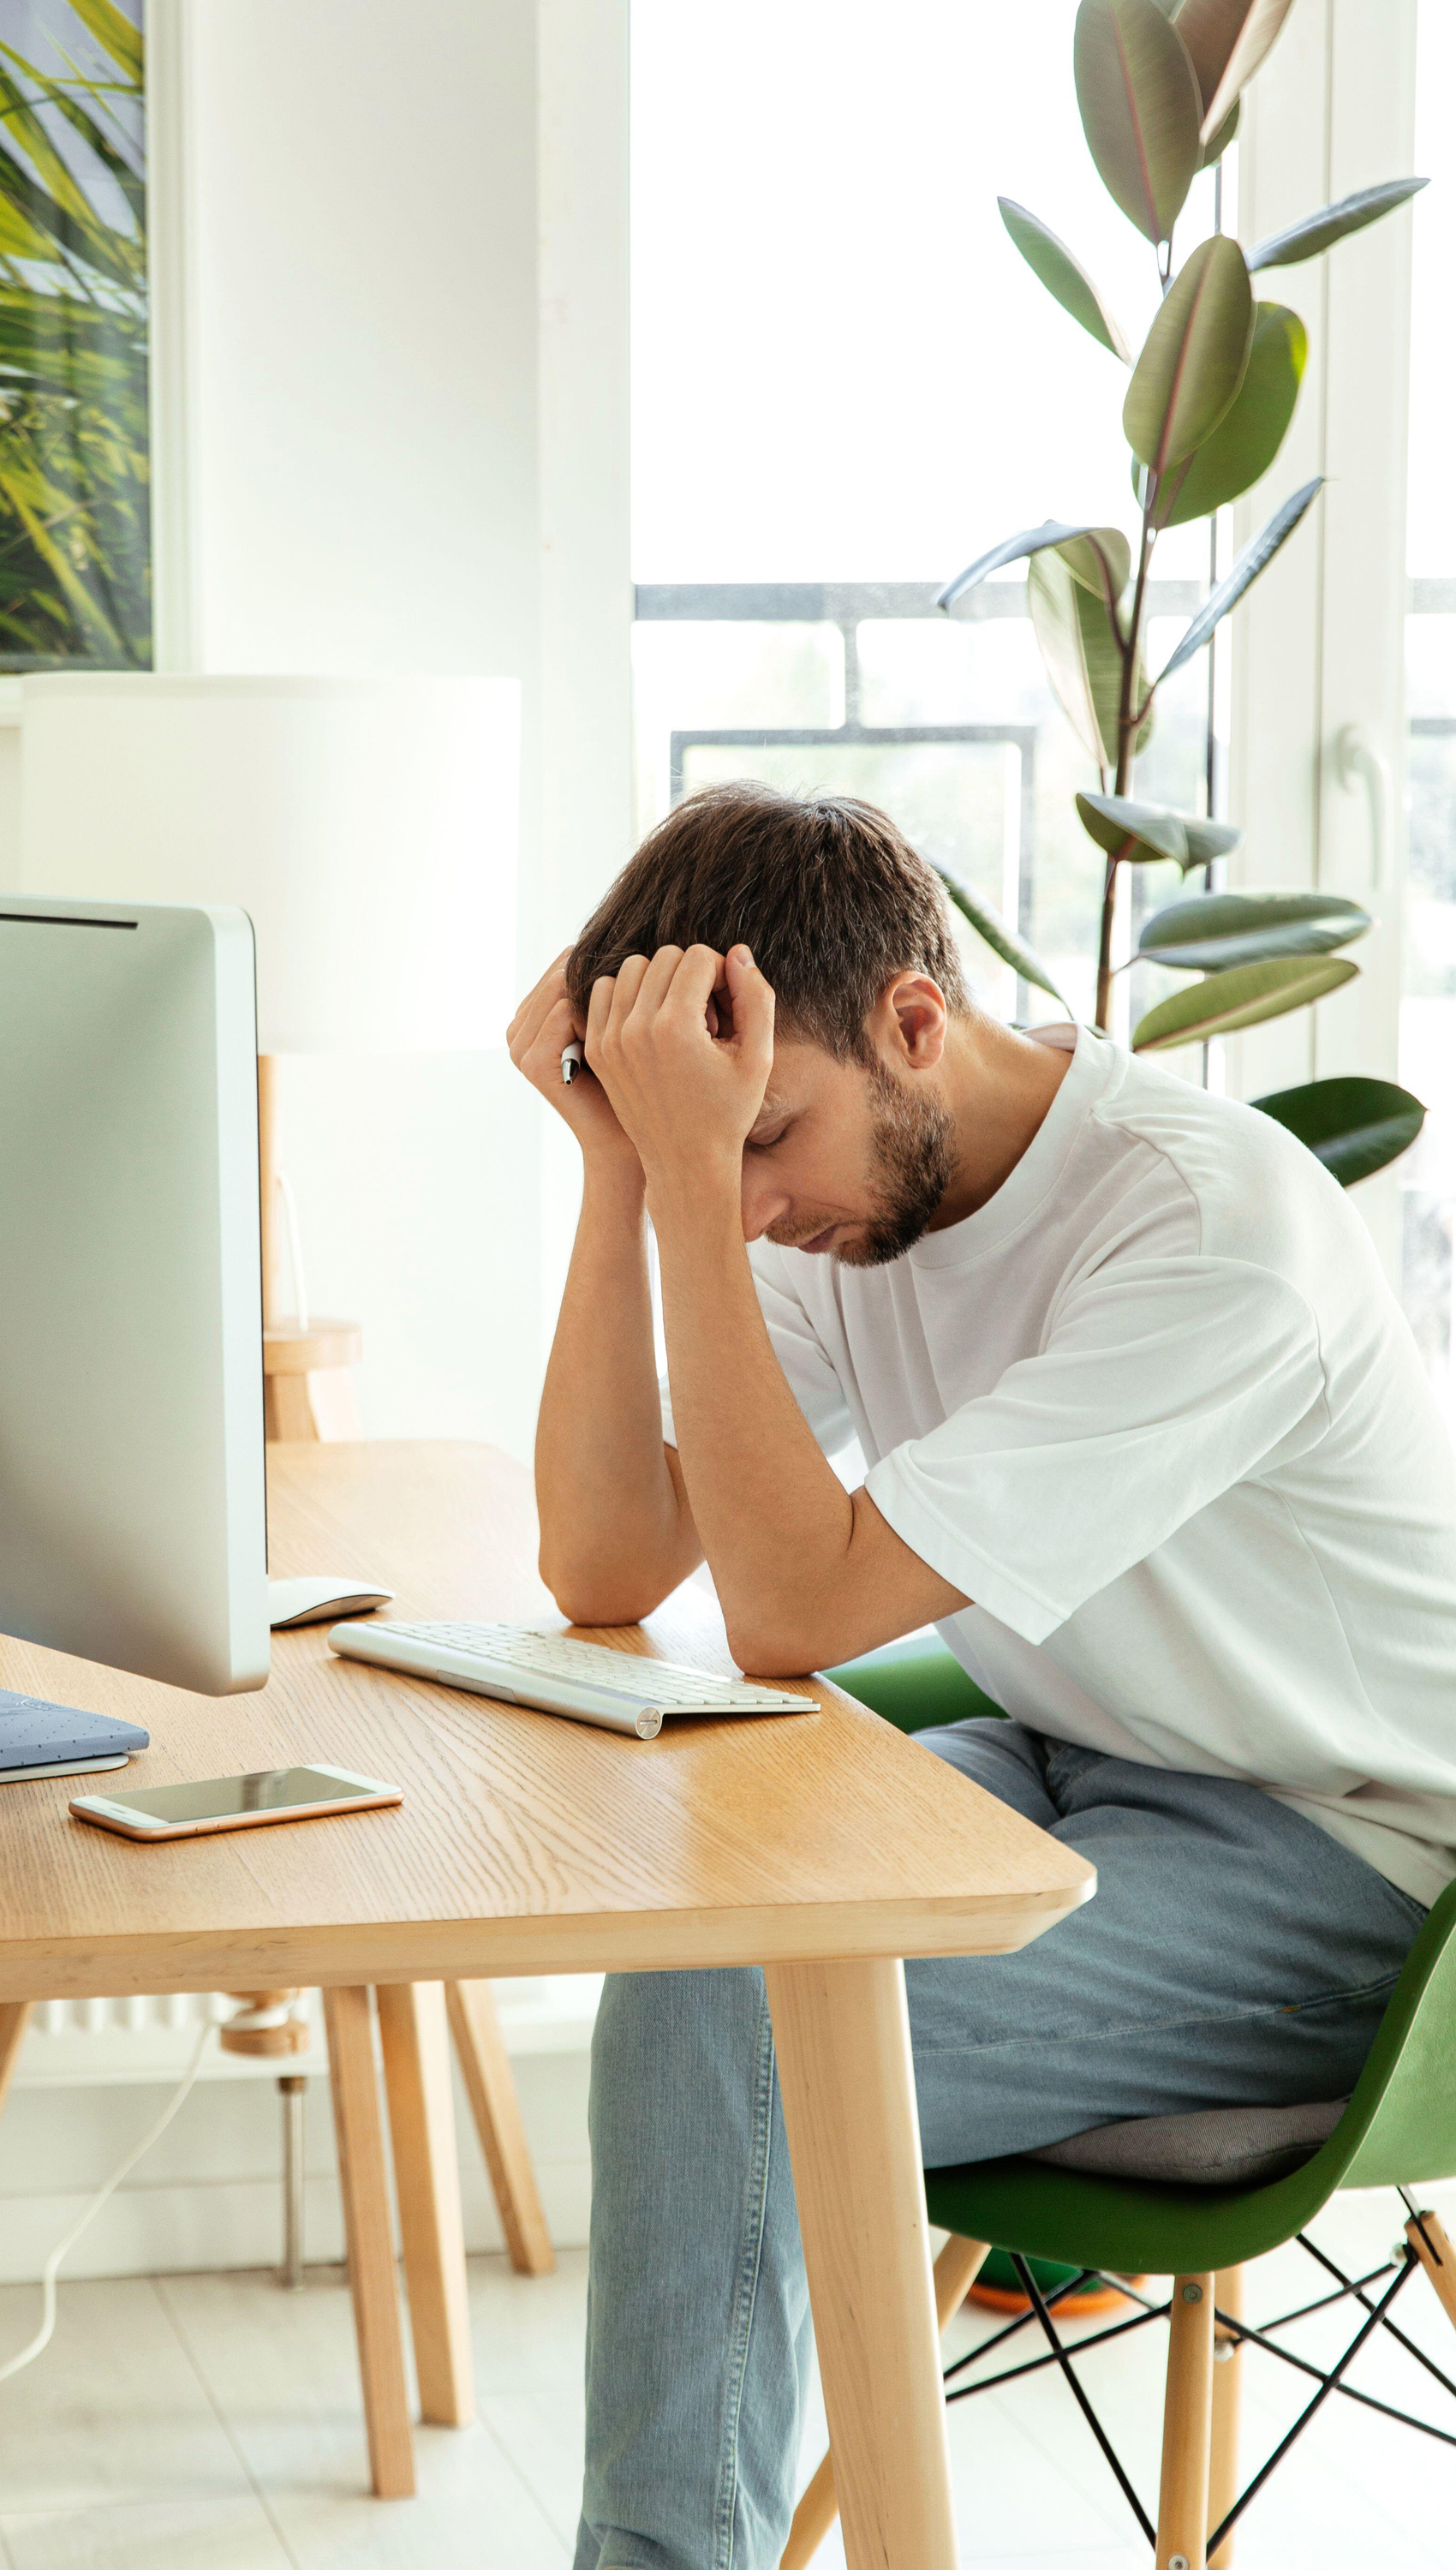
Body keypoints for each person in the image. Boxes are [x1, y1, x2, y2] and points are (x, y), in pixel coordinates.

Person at [506, 780, 1456, 2570]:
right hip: (1084, 1764)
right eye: (730, 1151)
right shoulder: (845, 1202)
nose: (759, 1195)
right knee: (705, 1950)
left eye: (765, 1136)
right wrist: (621, 1164)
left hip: (1367, 1875)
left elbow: (790, 1608)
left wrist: (698, 1187)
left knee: (754, 2018)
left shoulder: (1195, 1231)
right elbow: (607, 1561)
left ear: (914, 1024)